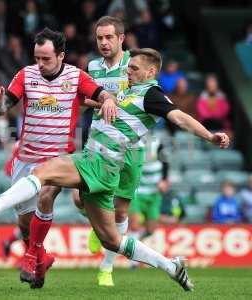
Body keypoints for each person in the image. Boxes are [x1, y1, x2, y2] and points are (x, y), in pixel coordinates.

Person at [0, 48, 230, 291]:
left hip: (99, 162)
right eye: (128, 68)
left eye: (135, 69)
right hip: (104, 169)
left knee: (43, 172)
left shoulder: (152, 95)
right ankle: (172, 267)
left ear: (151, 72)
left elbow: (179, 117)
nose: (128, 72)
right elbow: (89, 102)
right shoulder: (129, 93)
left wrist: (209, 136)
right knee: (112, 240)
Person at [0, 27, 117, 288]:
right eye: (37, 58)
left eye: (46, 58)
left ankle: (32, 256)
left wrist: (109, 101)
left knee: (46, 198)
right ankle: (42, 261)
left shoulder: (76, 77)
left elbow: (102, 94)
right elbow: (3, 108)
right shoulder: (25, 74)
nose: (40, 64)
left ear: (61, 56)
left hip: (57, 159)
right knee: (24, 224)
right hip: (26, 159)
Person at [74, 16, 146, 287]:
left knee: (120, 213)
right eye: (99, 38)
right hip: (99, 142)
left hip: (131, 146)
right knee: (79, 200)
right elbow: (87, 97)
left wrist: (118, 102)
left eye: (108, 38)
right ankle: (95, 224)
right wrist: (103, 101)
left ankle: (106, 268)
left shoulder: (135, 64)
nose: (103, 43)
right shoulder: (93, 66)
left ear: (120, 39)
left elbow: (145, 97)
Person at [128, 135, 167, 244]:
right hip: (137, 192)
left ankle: (135, 243)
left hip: (154, 192)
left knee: (151, 229)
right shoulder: (130, 144)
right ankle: (133, 257)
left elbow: (166, 163)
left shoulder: (157, 143)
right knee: (135, 224)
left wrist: (164, 180)